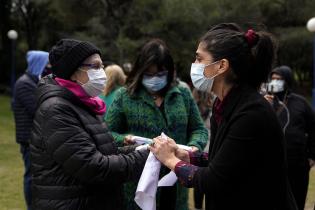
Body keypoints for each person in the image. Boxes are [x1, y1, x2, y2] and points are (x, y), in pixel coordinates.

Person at [149, 23, 298, 210]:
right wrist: (188, 157)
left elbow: (214, 180)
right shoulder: (224, 105)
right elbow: (225, 160)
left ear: (221, 66)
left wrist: (170, 159)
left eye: (199, 58)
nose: (194, 65)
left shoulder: (251, 113)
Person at [30, 39, 148, 210]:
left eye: (101, 66)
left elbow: (101, 151)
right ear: (73, 71)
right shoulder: (57, 110)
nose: (102, 72)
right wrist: (146, 158)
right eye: (95, 66)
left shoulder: (83, 103)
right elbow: (94, 167)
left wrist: (142, 149)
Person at [105, 38, 208, 210]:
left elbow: (199, 129)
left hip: (176, 179)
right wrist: (124, 139)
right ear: (140, 71)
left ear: (169, 72)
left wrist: (194, 146)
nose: (154, 79)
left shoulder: (182, 93)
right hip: (138, 183)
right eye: (149, 74)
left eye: (160, 74)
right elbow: (107, 134)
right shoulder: (125, 95)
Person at [264, 65, 315, 210]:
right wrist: (265, 105)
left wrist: (312, 156)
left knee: (297, 201)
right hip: (271, 163)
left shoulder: (301, 103)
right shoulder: (265, 101)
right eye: (273, 78)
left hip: (297, 163)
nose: (275, 82)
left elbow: (313, 129)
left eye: (279, 79)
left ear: (288, 81)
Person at [13, 50, 49, 210]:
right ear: (38, 63)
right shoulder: (25, 83)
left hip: (34, 137)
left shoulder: (32, 81)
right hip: (28, 138)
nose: (49, 67)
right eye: (46, 63)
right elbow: (37, 109)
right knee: (31, 176)